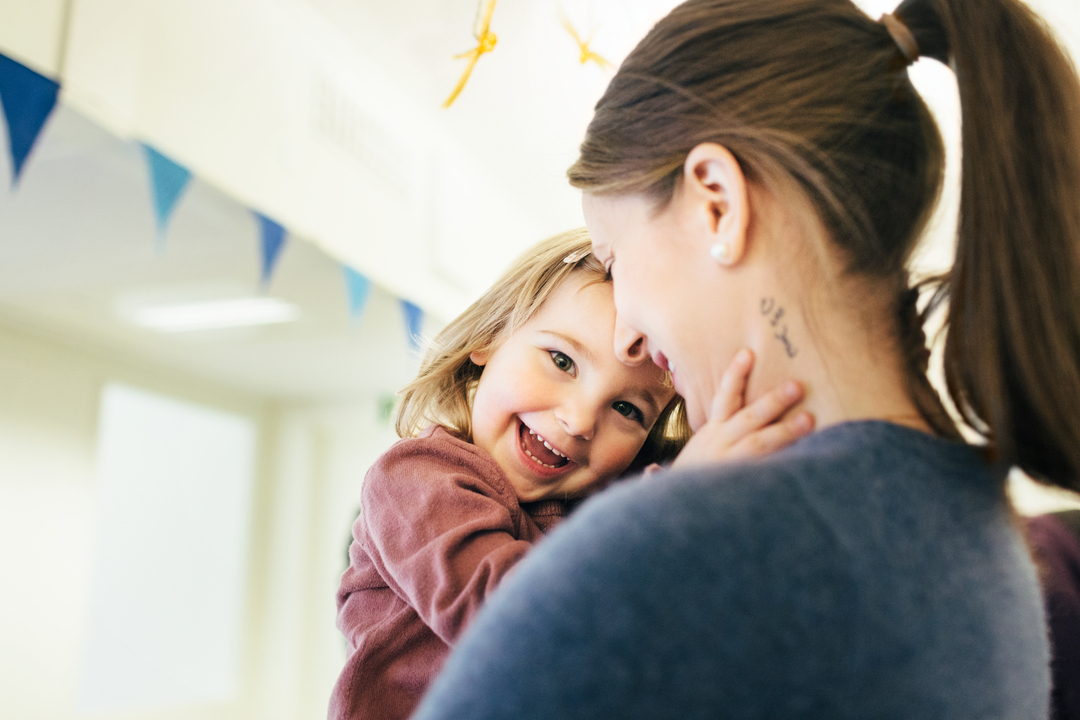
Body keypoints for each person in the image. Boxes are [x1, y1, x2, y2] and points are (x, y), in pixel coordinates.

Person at [412, 0, 1080, 717]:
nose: (627, 333)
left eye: (615, 258)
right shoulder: (989, 540)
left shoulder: (664, 551)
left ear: (718, 205)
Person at [328, 229, 813, 720]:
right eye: (562, 361)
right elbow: (515, 624)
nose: (580, 420)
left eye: (626, 409)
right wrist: (674, 503)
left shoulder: (602, 506)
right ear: (490, 336)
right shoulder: (414, 477)